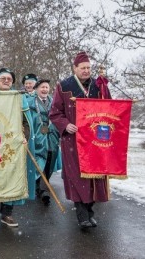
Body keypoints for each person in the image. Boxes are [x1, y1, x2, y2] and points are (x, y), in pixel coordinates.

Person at [50, 51, 111, 229]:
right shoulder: (64, 86)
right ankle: (82, 214)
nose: (86, 71)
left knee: (95, 177)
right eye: (83, 68)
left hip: (95, 140)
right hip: (73, 140)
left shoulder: (98, 86)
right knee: (78, 178)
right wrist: (65, 125)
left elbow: (108, 108)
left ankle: (90, 210)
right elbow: (55, 112)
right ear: (75, 69)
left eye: (88, 68)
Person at [0, 68, 36, 228]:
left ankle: (7, 213)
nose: (6, 81)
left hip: (13, 145)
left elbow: (26, 122)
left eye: (9, 79)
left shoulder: (19, 98)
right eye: (3, 78)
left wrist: (24, 137)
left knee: (11, 178)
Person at [29, 79, 61, 205]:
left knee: (50, 160)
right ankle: (41, 188)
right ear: (36, 89)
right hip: (38, 136)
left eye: (47, 87)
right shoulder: (30, 102)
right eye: (42, 87)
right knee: (39, 161)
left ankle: (43, 185)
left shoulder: (54, 102)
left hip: (51, 135)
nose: (44, 90)